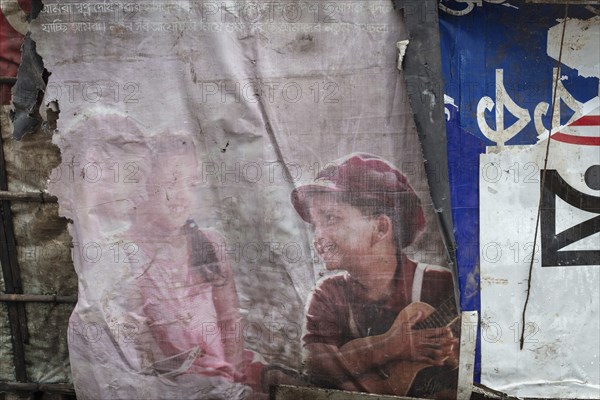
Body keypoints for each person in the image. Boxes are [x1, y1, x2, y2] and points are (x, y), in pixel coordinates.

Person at [290, 153, 459, 399]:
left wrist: (454, 358)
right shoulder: (327, 293)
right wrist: (392, 345)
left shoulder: (440, 285)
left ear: (380, 227)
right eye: (315, 224)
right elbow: (315, 367)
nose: (317, 237)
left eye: (330, 218)